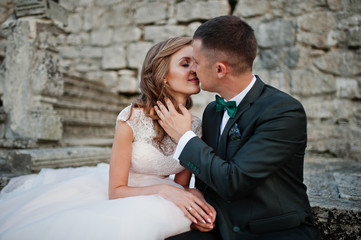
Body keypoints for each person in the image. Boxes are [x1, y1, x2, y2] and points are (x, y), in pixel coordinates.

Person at [0, 37, 216, 240]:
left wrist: (194, 198)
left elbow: (181, 186)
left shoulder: (195, 125)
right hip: (126, 194)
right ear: (163, 75)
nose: (194, 69)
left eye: (195, 63)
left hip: (161, 201)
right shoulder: (131, 118)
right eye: (185, 63)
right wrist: (165, 189)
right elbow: (116, 191)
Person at [155, 16, 321, 240]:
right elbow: (207, 179)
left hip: (273, 232)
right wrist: (201, 208)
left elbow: (234, 181)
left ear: (220, 69)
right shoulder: (212, 111)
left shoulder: (283, 111)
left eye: (196, 61)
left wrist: (184, 137)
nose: (193, 69)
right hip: (220, 227)